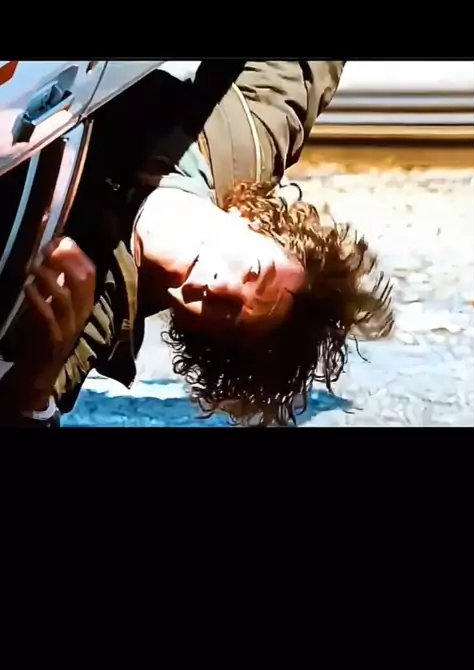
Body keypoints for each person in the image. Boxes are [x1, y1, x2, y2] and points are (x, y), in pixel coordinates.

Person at [0, 60, 394, 427]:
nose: (219, 287)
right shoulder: (248, 134)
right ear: (252, 220)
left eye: (230, 315)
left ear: (200, 335)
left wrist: (37, 379)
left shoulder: (80, 322)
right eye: (254, 272)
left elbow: (26, 412)